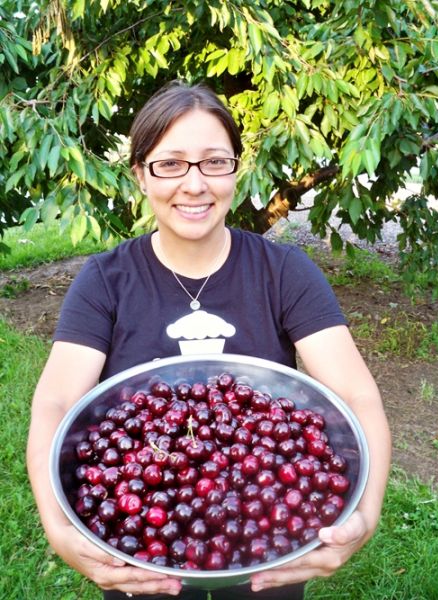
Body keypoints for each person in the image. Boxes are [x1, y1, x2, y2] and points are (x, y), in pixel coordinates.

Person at [27, 80, 391, 600]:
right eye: (170, 163)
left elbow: (357, 398)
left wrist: (366, 514)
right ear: (140, 175)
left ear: (235, 172)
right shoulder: (107, 279)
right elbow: (57, 402)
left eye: (214, 162)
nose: (194, 184)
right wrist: (58, 529)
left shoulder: (284, 272)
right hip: (141, 567)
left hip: (269, 547)